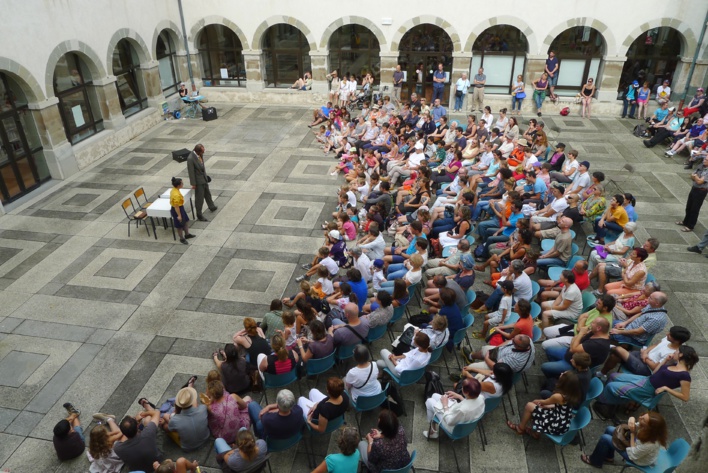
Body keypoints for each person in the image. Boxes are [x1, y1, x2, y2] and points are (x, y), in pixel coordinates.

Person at [506, 371, 580, 438]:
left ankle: (520, 429)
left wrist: (535, 402)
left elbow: (543, 402)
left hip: (556, 423)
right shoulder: (572, 393)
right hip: (564, 422)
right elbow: (561, 407)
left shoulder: (558, 396)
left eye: (563, 374)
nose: (561, 373)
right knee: (539, 409)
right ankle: (536, 433)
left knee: (529, 406)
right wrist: (547, 406)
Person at [598, 325, 691, 378]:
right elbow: (655, 345)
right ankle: (602, 374)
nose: (667, 334)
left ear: (677, 341)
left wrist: (644, 357)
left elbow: (655, 367)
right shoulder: (667, 339)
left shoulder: (673, 354)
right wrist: (645, 352)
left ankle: (604, 345)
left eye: (670, 335)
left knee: (619, 349)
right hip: (642, 356)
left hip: (646, 368)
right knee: (615, 356)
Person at [581, 412, 668, 468]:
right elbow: (634, 424)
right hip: (637, 446)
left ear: (649, 428)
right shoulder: (647, 429)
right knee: (610, 429)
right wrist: (632, 419)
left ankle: (595, 461)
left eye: (643, 420)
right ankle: (609, 457)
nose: (640, 418)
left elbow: (633, 455)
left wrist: (633, 434)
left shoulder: (651, 444)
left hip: (638, 458)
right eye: (642, 416)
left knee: (605, 439)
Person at [541, 318, 611, 379]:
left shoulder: (597, 344)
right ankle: (558, 374)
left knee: (544, 367)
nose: (590, 324)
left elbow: (573, 348)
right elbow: (574, 341)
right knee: (549, 350)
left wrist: (581, 333)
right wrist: (575, 342)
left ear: (598, 328)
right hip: (570, 354)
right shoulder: (594, 333)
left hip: (574, 364)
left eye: (592, 323)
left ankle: (558, 379)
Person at [114, 404, 164, 472]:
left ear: (123, 432)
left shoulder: (117, 448)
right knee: (152, 424)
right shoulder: (148, 433)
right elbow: (157, 413)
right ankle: (147, 406)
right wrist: (142, 414)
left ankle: (110, 420)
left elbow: (119, 439)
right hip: (158, 463)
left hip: (139, 470)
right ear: (137, 426)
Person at [204, 379, 252, 445]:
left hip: (224, 438)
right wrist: (234, 408)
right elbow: (244, 406)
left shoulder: (210, 407)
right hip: (240, 431)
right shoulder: (233, 396)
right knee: (247, 398)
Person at [162, 386, 210, 451]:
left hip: (188, 447)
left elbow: (170, 427)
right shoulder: (203, 408)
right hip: (205, 437)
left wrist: (170, 415)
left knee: (165, 425)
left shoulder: (175, 420)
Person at [676, 154, 708, 232]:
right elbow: (692, 176)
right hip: (694, 188)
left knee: (695, 209)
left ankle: (690, 226)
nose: (704, 160)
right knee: (688, 207)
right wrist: (696, 178)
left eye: (706, 160)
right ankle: (685, 221)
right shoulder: (701, 166)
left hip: (701, 191)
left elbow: (700, 181)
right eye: (705, 159)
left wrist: (696, 177)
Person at [186, 143, 217, 222]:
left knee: (207, 193)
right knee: (199, 198)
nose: (203, 153)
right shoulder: (190, 159)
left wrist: (205, 176)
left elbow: (202, 166)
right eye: (202, 152)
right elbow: (191, 172)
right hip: (198, 181)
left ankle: (211, 206)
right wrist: (193, 184)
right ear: (198, 151)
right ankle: (199, 214)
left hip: (203, 178)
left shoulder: (199, 155)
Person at [168, 177, 195, 244]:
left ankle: (187, 234)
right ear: (178, 185)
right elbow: (176, 207)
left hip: (180, 208)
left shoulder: (174, 189)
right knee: (179, 225)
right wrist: (179, 215)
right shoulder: (176, 195)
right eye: (182, 183)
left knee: (185, 221)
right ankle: (181, 238)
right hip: (177, 210)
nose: (183, 184)